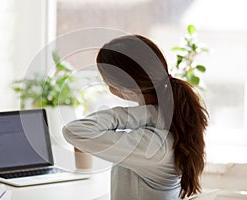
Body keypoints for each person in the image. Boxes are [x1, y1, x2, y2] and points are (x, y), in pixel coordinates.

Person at [62, 35, 208, 200]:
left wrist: (148, 111)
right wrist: (152, 112)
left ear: (128, 92)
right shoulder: (166, 127)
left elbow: (74, 131)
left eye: (106, 81)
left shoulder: (153, 144)